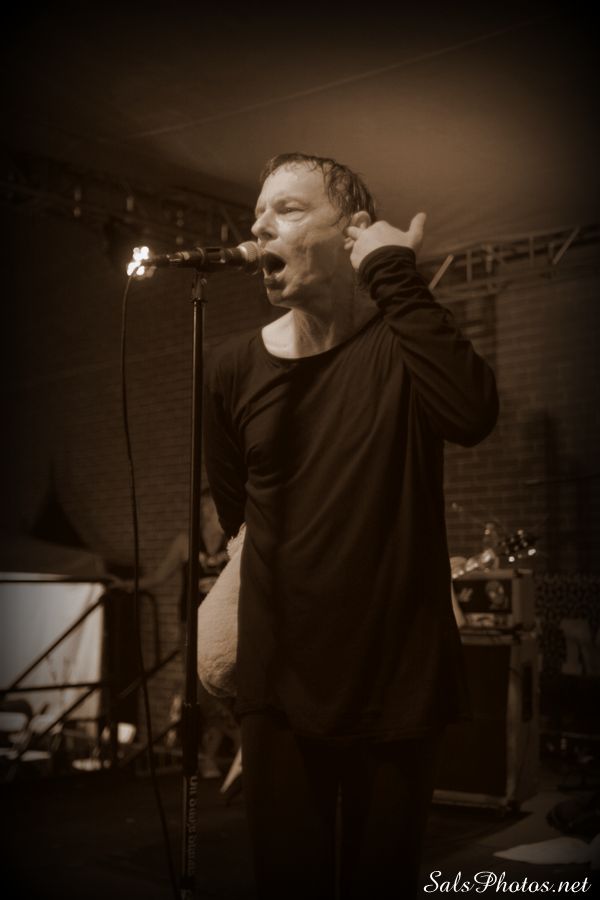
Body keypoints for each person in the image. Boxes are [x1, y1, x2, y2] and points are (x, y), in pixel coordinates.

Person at [203, 153, 499, 898]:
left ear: (354, 231)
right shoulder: (232, 367)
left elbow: (471, 413)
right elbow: (239, 517)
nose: (260, 226)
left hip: (396, 677)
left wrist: (393, 271)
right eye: (256, 214)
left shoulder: (404, 340)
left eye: (288, 209)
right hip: (280, 681)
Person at [115, 489, 239, 779]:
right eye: (209, 507)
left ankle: (209, 759)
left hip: (225, 624)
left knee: (223, 688)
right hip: (192, 624)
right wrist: (129, 586)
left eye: (214, 506)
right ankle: (239, 739)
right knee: (198, 689)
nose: (212, 511)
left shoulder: (233, 540)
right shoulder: (186, 542)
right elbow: (160, 575)